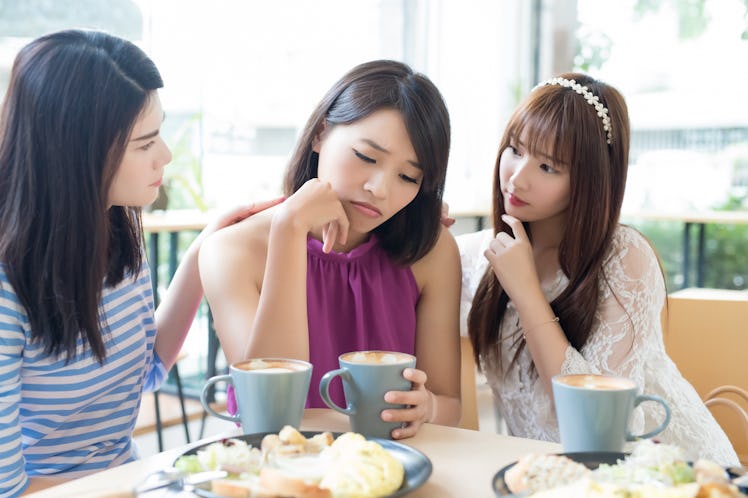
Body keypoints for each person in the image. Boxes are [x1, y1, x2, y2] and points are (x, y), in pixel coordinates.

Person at [0, 30, 279, 497]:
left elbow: (144, 368)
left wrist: (199, 256)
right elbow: (11, 488)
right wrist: (154, 481)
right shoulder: (9, 288)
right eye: (145, 143)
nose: (165, 156)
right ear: (76, 152)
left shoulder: (116, 236)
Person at [458, 73, 739, 465]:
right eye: (515, 149)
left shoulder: (623, 258)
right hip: (558, 480)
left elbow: (593, 420)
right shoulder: (484, 254)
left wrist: (526, 292)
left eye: (548, 167)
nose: (517, 177)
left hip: (664, 473)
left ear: (588, 179)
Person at [199, 60, 462, 439]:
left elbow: (449, 403)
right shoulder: (232, 251)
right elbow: (271, 414)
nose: (381, 188)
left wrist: (429, 407)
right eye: (367, 157)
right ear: (321, 133)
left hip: (385, 472)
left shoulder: (430, 253)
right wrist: (289, 230)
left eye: (408, 177)